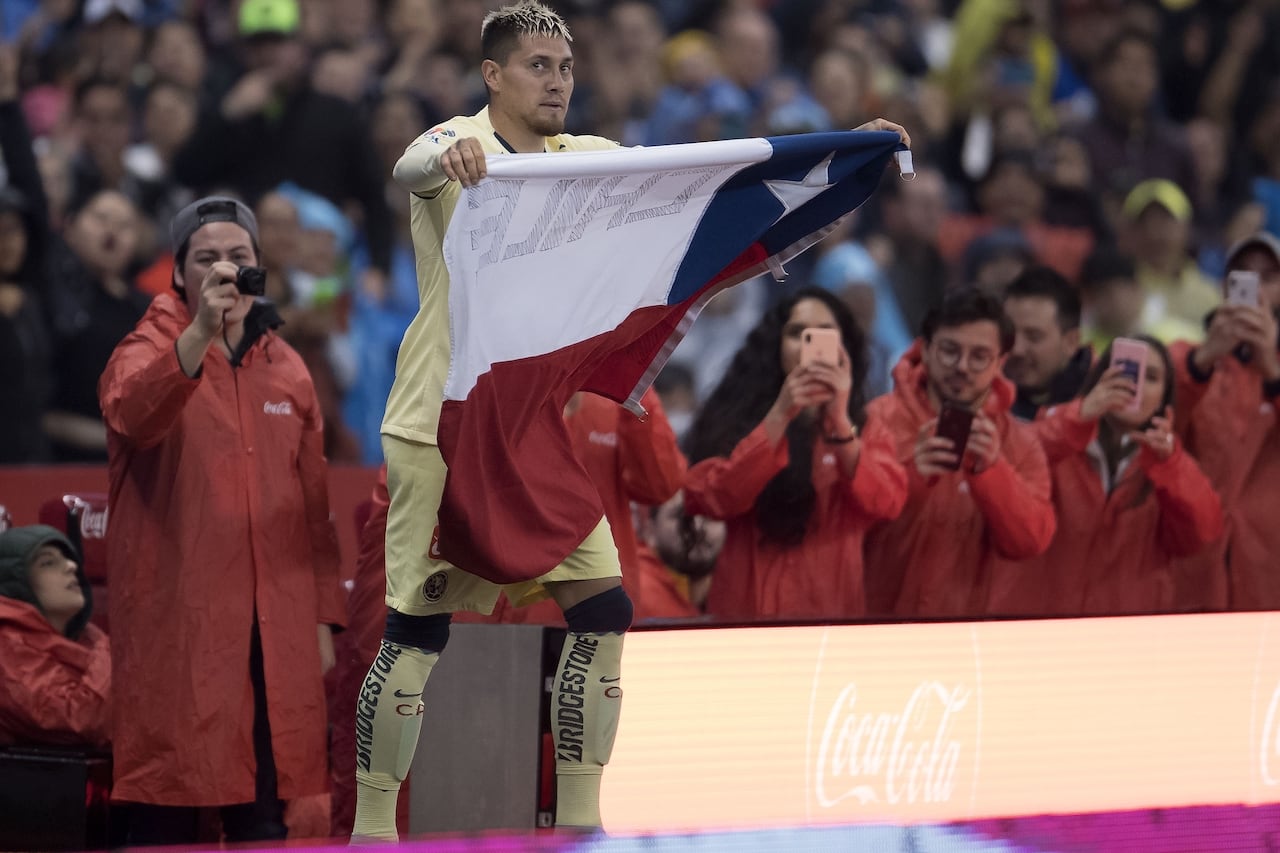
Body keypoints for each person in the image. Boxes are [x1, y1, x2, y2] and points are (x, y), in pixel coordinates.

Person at [98, 196, 345, 845]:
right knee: (168, 807)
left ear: (262, 268)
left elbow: (315, 516)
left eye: (239, 257)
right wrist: (200, 331)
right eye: (206, 258)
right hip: (182, 628)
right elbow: (132, 414)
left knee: (265, 816)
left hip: (275, 635)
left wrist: (321, 620)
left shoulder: (288, 369)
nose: (224, 270)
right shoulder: (144, 347)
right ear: (178, 273)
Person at [683, 287, 908, 621]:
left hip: (830, 622)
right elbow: (710, 499)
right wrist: (779, 416)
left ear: (843, 351)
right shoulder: (735, 419)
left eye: (824, 335)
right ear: (775, 346)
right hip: (746, 618)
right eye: (796, 334)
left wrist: (839, 423)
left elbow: (886, 503)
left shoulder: (866, 426)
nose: (809, 348)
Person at [863, 288, 1055, 618]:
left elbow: (1030, 543)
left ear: (1001, 362)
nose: (963, 367)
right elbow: (839, 529)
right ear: (925, 349)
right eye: (950, 351)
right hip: (875, 626)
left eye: (979, 356)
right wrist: (909, 478)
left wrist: (992, 473)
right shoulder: (876, 421)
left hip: (971, 637)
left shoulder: (1020, 442)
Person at [1007, 337, 1222, 615]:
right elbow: (1011, 464)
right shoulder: (1057, 430)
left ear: (1164, 399)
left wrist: (1171, 465)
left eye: (1152, 377)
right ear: (1100, 379)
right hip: (1042, 627)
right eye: (1125, 370)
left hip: (1129, 636)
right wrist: (1079, 417)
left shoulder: (1169, 462)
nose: (1135, 385)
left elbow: (1201, 537)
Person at [1171, 232, 1280, 611]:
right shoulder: (1187, 360)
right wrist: (1201, 363)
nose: (1257, 290)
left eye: (1268, 277)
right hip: (1196, 570)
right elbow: (1158, 429)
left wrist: (1272, 371)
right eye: (1243, 276)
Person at [0, 525, 110, 748]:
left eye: (68, 559)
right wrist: (115, 650)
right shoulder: (7, 648)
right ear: (16, 583)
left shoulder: (91, 639)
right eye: (48, 563)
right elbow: (85, 720)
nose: (71, 566)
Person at [1002, 266, 1092, 422]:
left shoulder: (1097, 410)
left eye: (1034, 337)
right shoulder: (978, 394)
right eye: (1009, 333)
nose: (1017, 349)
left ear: (1071, 342)